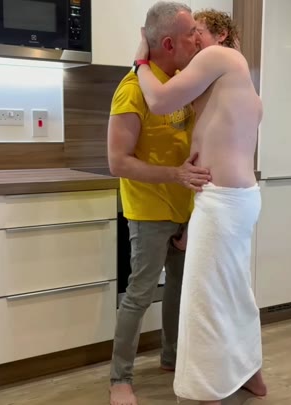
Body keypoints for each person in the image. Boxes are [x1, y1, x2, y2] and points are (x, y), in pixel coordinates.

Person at [133, 9, 267, 405]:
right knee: (235, 291)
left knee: (203, 300)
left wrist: (140, 59)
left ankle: (205, 393)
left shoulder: (217, 56)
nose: (193, 39)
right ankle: (251, 373)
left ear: (220, 35)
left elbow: (158, 101)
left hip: (223, 200)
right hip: (240, 198)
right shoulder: (238, 76)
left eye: (199, 32)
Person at [106, 2, 210, 405]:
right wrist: (175, 175)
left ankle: (172, 358)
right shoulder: (132, 91)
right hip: (149, 211)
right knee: (140, 293)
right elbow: (118, 162)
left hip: (185, 208)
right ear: (168, 44)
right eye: (190, 34)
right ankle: (120, 379)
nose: (197, 40)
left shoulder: (180, 82)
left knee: (179, 290)